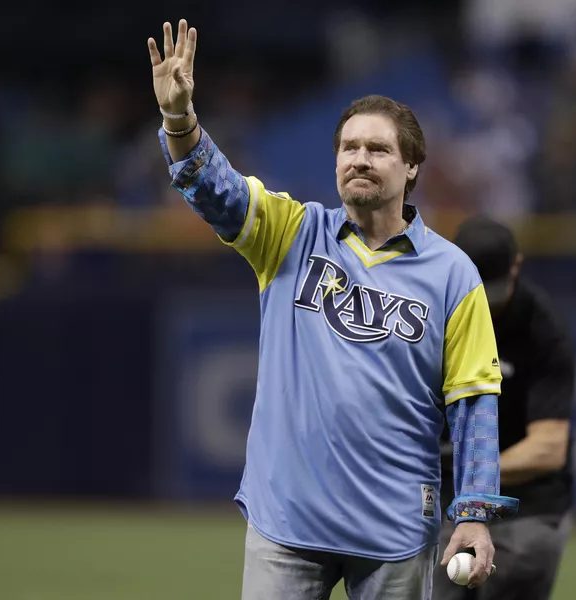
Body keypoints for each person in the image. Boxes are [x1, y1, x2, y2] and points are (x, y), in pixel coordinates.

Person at [147, 20, 518, 600]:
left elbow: (473, 401)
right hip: (289, 518)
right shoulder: (293, 233)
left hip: (394, 527)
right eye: (349, 147)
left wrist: (473, 511)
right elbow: (213, 188)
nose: (360, 159)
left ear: (411, 166)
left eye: (378, 148)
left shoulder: (453, 274)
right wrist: (179, 120)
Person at [433, 217, 576, 600]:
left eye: (494, 291)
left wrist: (468, 471)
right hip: (442, 500)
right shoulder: (430, 313)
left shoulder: (542, 329)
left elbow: (548, 448)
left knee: (523, 562)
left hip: (526, 505)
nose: (487, 303)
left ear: (517, 266)